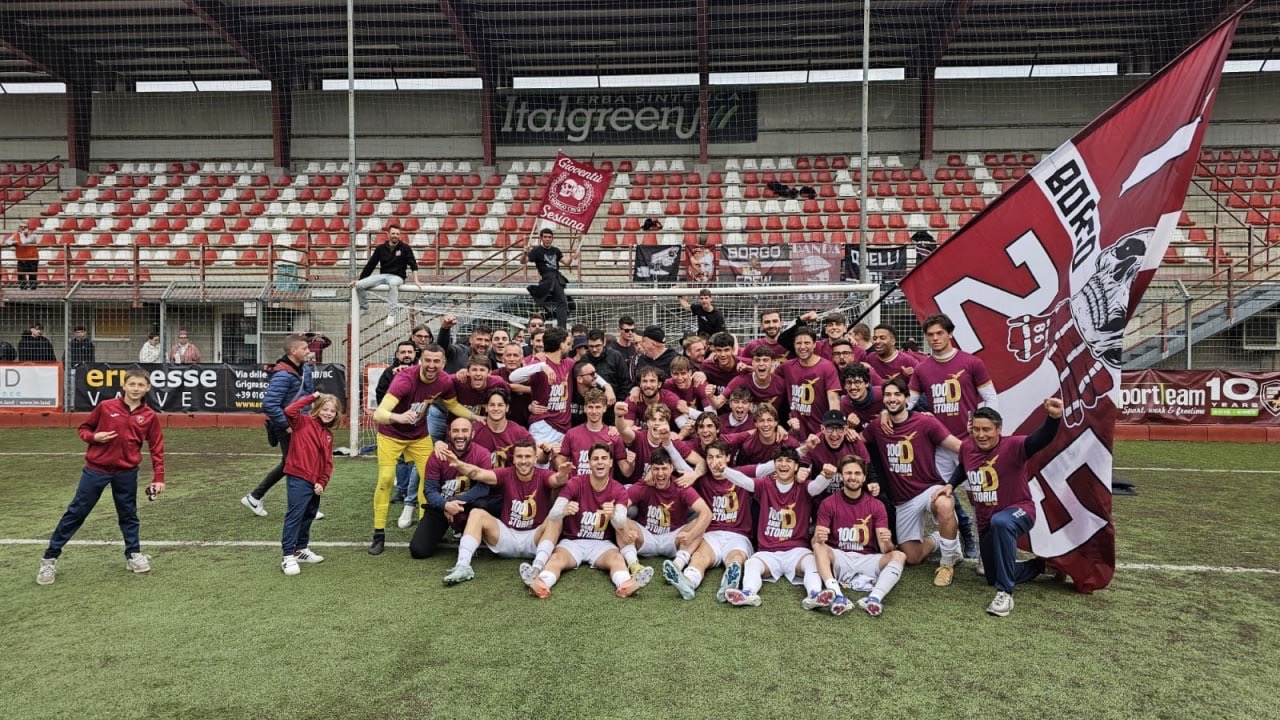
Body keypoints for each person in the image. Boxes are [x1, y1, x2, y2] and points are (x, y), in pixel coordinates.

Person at [36, 369, 164, 585]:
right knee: (76, 512)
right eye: (132, 384)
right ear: (124, 385)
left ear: (147, 388)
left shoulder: (149, 416)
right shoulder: (106, 407)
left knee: (129, 515)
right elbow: (83, 428)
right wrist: (94, 437)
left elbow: (156, 446)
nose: (136, 389)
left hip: (126, 473)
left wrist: (158, 477)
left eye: (141, 385)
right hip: (96, 470)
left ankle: (133, 554)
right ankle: (49, 559)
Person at [948, 399, 1063, 617]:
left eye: (987, 430)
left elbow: (1040, 439)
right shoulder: (967, 446)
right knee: (992, 576)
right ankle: (1041, 566)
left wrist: (1053, 418)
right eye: (976, 429)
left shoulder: (1013, 446)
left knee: (1001, 522)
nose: (981, 435)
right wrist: (950, 485)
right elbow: (964, 467)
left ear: (999, 429)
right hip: (986, 521)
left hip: (1019, 510)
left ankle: (1005, 594)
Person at [907, 312, 998, 559]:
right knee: (940, 497)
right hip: (940, 445)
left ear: (950, 334)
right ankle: (953, 547)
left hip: (970, 445)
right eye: (930, 335)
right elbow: (909, 403)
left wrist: (982, 428)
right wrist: (888, 413)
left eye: (939, 333)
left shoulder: (971, 362)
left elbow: (991, 398)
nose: (935, 338)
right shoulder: (922, 369)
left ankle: (986, 554)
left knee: (979, 498)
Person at [369, 344, 473, 555]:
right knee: (386, 479)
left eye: (436, 361)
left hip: (419, 436)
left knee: (430, 479)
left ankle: (426, 526)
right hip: (391, 434)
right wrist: (398, 417)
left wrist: (476, 417)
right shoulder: (405, 379)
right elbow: (379, 414)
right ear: (421, 360)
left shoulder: (444, 380)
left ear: (443, 363)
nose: (431, 365)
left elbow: (453, 406)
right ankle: (378, 534)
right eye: (428, 360)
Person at [862, 378, 964, 587]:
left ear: (907, 398)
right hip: (903, 500)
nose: (892, 399)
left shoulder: (926, 422)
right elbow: (856, 441)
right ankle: (942, 538)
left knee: (945, 503)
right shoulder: (877, 426)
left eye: (897, 394)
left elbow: (959, 447)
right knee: (912, 557)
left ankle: (947, 563)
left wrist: (992, 454)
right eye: (888, 395)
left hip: (929, 488)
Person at [521, 443, 652, 599]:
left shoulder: (618, 489)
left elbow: (621, 523)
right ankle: (541, 583)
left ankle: (626, 585)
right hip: (573, 541)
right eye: (595, 459)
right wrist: (564, 510)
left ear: (611, 462)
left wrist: (613, 514)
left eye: (604, 458)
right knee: (556, 559)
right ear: (589, 463)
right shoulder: (576, 483)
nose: (600, 462)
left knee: (617, 559)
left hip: (601, 543)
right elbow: (553, 514)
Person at [440, 439, 571, 585]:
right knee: (477, 513)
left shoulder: (543, 474)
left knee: (556, 517)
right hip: (507, 537)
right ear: (513, 459)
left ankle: (536, 569)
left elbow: (556, 480)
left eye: (527, 456)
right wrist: (458, 464)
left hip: (535, 538)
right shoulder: (506, 473)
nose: (523, 461)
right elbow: (478, 473)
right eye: (519, 456)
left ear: (535, 459)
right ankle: (462, 566)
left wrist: (562, 475)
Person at [721, 446, 835, 608]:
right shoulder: (764, 485)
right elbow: (744, 481)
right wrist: (724, 470)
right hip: (768, 552)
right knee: (752, 564)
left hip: (796, 550)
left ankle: (814, 594)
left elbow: (817, 486)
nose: (783, 464)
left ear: (796, 466)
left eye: (789, 461)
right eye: (779, 460)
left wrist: (826, 476)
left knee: (811, 561)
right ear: (774, 465)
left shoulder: (804, 487)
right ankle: (748, 593)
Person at [811, 455, 906, 616]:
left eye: (857, 473)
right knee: (818, 546)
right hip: (840, 557)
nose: (853, 477)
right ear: (841, 476)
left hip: (867, 558)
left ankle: (874, 598)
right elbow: (816, 540)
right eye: (848, 473)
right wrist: (818, 537)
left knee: (899, 555)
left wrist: (887, 541)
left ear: (864, 477)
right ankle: (837, 595)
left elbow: (886, 549)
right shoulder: (828, 503)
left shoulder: (877, 505)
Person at [616, 450, 713, 600]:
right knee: (619, 517)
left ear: (671, 468)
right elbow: (619, 507)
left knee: (698, 523)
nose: (660, 473)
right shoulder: (644, 485)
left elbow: (707, 513)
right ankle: (634, 566)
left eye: (664, 468)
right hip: (646, 536)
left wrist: (691, 535)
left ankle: (677, 566)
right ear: (650, 469)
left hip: (674, 538)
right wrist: (625, 531)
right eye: (656, 469)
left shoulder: (681, 486)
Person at [242, 334, 315, 519]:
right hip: (288, 427)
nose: (309, 351)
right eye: (305, 348)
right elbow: (270, 405)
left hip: (300, 425)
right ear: (293, 351)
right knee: (296, 465)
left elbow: (307, 396)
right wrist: (286, 426)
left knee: (291, 464)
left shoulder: (304, 369)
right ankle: (303, 508)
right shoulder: (283, 375)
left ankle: (255, 497)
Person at [409, 416, 494, 559]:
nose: (460, 435)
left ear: (472, 434)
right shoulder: (437, 455)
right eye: (456, 431)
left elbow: (483, 488)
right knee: (419, 550)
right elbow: (429, 490)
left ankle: (467, 530)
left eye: (464, 431)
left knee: (484, 504)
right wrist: (445, 505)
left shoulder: (482, 454)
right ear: (449, 433)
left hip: (468, 506)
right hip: (441, 506)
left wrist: (455, 502)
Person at [279, 392, 341, 576]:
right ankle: (287, 556)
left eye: (332, 411)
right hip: (298, 478)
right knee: (295, 515)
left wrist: (322, 482)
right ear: (317, 409)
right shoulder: (302, 422)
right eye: (325, 409)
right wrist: (312, 397)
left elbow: (328, 462)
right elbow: (289, 411)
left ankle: (300, 549)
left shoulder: (328, 435)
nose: (328, 413)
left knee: (309, 515)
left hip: (315, 483)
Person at [507, 326, 574, 446]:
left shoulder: (568, 363)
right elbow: (513, 377)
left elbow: (588, 371)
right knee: (540, 458)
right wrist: (541, 367)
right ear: (561, 345)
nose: (570, 348)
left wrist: (606, 386)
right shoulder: (538, 364)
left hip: (565, 428)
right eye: (567, 344)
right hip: (543, 426)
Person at [776, 326, 842, 437]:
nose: (802, 347)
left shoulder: (827, 367)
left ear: (814, 344)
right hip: (796, 433)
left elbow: (834, 400)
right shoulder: (787, 367)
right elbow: (769, 380)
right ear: (794, 345)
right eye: (798, 343)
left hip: (820, 433)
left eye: (807, 343)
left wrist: (832, 428)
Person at [351, 223, 422, 327]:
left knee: (393, 283)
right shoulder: (380, 248)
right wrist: (360, 279)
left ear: (400, 235)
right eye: (393, 233)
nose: (395, 235)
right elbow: (370, 265)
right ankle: (365, 307)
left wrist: (416, 280)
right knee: (359, 285)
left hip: (397, 277)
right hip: (383, 276)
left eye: (397, 234)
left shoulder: (405, 248)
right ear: (388, 234)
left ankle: (392, 314)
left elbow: (413, 264)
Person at [525, 228, 574, 328]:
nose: (547, 239)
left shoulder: (556, 250)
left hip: (557, 277)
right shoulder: (536, 250)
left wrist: (572, 257)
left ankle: (561, 326)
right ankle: (561, 327)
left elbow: (566, 263)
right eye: (545, 237)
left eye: (549, 237)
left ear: (552, 238)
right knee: (562, 301)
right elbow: (523, 261)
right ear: (541, 238)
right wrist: (524, 253)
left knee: (562, 301)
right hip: (547, 278)